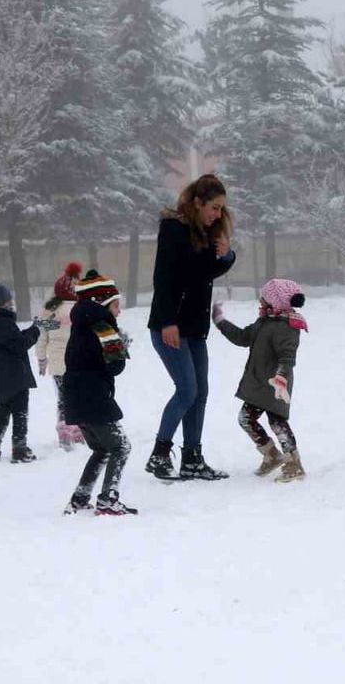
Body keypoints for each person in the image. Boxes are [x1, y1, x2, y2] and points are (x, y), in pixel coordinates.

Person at [144, 173, 237, 480]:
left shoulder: (206, 233)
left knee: (201, 392)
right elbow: (164, 278)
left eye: (222, 209)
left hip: (195, 326)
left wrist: (227, 255)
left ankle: (192, 458)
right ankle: (159, 455)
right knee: (187, 390)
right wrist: (168, 320)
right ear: (198, 203)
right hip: (170, 326)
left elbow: (204, 272)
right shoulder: (174, 229)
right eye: (214, 207)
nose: (218, 214)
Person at [212, 278, 308, 483]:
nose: (260, 301)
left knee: (277, 422)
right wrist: (220, 321)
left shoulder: (287, 326)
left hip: (276, 386)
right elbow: (242, 337)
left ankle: (294, 464)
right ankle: (272, 454)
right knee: (245, 418)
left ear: (276, 301)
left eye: (264, 298)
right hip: (259, 384)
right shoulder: (264, 322)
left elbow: (287, 358)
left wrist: (281, 378)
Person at [62, 270, 137, 515]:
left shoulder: (79, 327)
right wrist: (121, 346)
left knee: (102, 448)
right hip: (95, 398)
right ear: (103, 304)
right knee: (121, 447)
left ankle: (81, 498)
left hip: (75, 399)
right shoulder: (104, 327)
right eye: (116, 305)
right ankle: (108, 498)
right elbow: (116, 366)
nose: (119, 311)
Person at [0, 282, 58, 464]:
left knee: (2, 410)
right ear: (0, 303)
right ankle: (20, 449)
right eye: (8, 302)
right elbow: (20, 344)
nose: (11, 304)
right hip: (15, 375)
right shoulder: (2, 323)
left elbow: (12, 340)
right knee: (20, 412)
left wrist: (32, 328)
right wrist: (36, 329)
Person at [38, 262, 86, 451]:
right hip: (80, 363)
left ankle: (64, 434)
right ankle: (79, 432)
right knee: (79, 398)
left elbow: (41, 338)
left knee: (63, 399)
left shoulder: (49, 311)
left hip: (58, 365)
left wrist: (42, 360)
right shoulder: (82, 309)